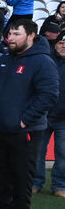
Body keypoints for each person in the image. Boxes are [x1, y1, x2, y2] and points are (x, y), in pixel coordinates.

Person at [0, 19, 60, 209]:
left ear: (31, 36)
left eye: (16, 34)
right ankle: (1, 207)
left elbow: (49, 95)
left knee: (22, 171)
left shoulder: (42, 61)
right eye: (9, 34)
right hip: (0, 126)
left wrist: (24, 121)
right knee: (3, 170)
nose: (10, 38)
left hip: (26, 130)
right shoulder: (5, 58)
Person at [33, 37, 65, 197]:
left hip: (64, 119)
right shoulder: (45, 61)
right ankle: (35, 183)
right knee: (37, 151)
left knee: (63, 153)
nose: (63, 46)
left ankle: (60, 185)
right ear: (55, 44)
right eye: (61, 43)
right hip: (42, 115)